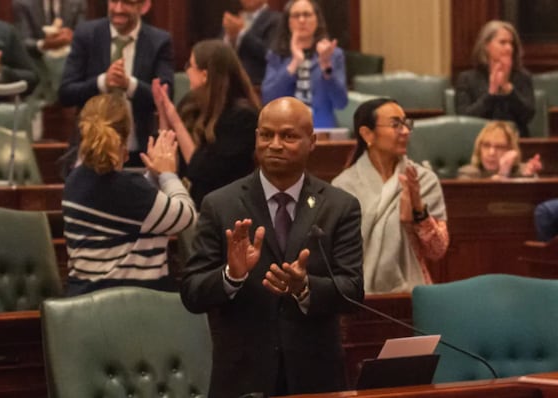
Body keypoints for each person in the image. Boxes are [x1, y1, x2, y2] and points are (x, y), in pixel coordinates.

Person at [181, 97, 363, 396]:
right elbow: (192, 292)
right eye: (266, 135)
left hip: (315, 376)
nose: (275, 144)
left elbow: (352, 291)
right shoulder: (220, 204)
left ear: (312, 141)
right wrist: (231, 276)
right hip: (243, 378)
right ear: (256, 138)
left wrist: (305, 287)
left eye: (288, 136)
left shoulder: (339, 206)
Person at [62, 93, 196, 296]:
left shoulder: (73, 181)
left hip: (84, 304)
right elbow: (187, 216)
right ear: (125, 137)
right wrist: (168, 173)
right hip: (131, 309)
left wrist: (152, 175)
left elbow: (140, 213)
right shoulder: (130, 189)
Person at [332, 98, 449, 294]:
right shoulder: (343, 187)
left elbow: (437, 250)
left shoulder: (423, 180)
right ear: (367, 133)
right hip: (358, 295)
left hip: (415, 293)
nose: (405, 131)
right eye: (396, 125)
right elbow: (336, 253)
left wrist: (418, 212)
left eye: (406, 124)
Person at [59, 0, 174, 166]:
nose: (118, 9)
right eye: (113, 1)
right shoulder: (87, 34)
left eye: (127, 2)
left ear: (144, 6)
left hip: (138, 155)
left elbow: (166, 96)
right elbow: (66, 93)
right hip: (89, 152)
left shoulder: (159, 41)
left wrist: (129, 85)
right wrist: (103, 82)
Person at [152, 39, 260, 208]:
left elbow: (201, 169)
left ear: (205, 75)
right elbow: (169, 153)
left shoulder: (242, 117)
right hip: (188, 201)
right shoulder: (191, 103)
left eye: (190, 65)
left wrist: (175, 120)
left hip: (226, 207)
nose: (186, 70)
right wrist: (163, 114)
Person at [261, 0, 347, 129]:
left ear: (317, 19)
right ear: (288, 22)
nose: (302, 20)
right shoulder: (276, 55)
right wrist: (294, 63)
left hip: (322, 131)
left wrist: (326, 66)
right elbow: (268, 99)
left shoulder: (333, 54)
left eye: (307, 15)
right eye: (296, 16)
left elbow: (341, 103)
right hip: (286, 130)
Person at [455, 20, 535, 137]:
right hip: (479, 142)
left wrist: (509, 90)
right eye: (502, 42)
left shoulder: (523, 77)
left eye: (511, 43)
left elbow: (528, 115)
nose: (509, 48)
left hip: (516, 141)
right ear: (486, 46)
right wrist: (491, 94)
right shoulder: (466, 79)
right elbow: (464, 119)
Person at [222, 0, 281, 85]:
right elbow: (218, 50)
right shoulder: (234, 18)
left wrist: (241, 33)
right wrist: (229, 37)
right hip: (229, 84)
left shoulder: (275, 19)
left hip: (257, 86)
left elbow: (270, 54)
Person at [457, 120, 542, 179]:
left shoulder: (523, 172)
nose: (491, 153)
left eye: (500, 147)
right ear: (479, 149)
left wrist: (530, 177)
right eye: (486, 145)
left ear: (511, 150)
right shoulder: (468, 174)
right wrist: (502, 174)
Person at [13, 0, 86, 57]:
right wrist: (43, 45)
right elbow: (23, 41)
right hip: (37, 61)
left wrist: (69, 36)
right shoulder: (23, 3)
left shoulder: (78, 2)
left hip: (69, 59)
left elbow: (81, 38)